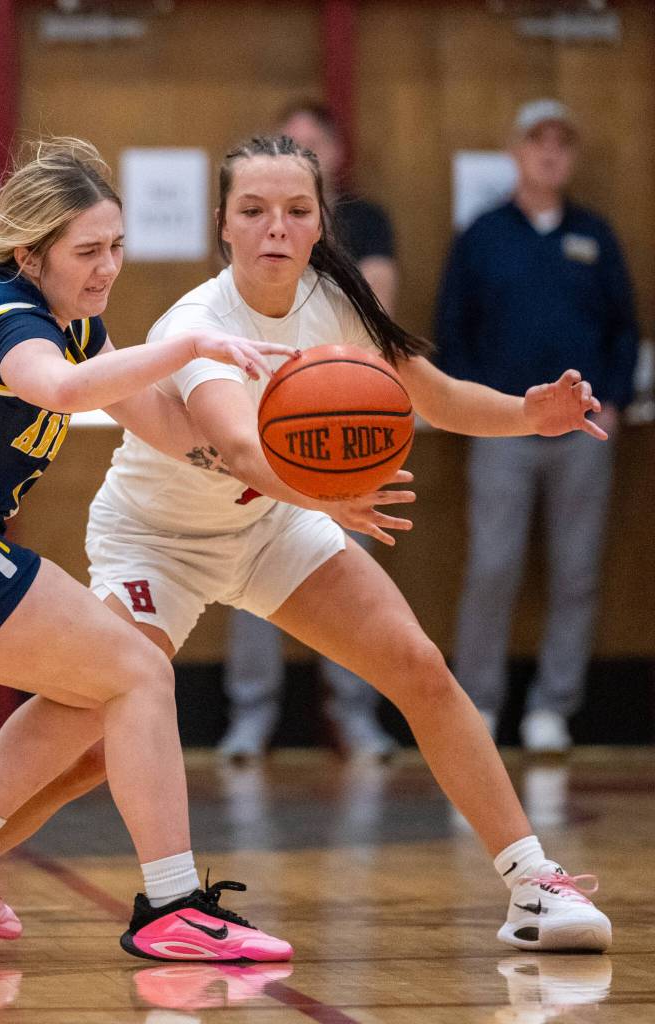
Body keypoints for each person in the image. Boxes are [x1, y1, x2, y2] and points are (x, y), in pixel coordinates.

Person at [0, 133, 607, 957]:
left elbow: (437, 396)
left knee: (418, 667)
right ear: (223, 227)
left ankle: (533, 884)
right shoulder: (201, 322)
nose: (276, 226)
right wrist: (331, 494)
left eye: (296, 211)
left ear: (318, 227)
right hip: (158, 540)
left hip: (271, 528)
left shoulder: (339, 304)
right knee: (94, 729)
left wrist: (529, 414)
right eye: (254, 211)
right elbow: (238, 451)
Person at [0, 138, 301, 962]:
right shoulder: (9, 316)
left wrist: (297, 477)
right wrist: (191, 343)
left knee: (98, 686)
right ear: (29, 253)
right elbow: (65, 392)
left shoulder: (77, 328)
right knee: (140, 670)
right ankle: (175, 905)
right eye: (87, 251)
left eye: (116, 248)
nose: (107, 267)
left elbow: (169, 430)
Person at [435, 99, 639, 753]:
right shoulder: (482, 235)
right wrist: (474, 404)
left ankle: (553, 708)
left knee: (576, 570)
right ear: (516, 151)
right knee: (493, 566)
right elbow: (451, 329)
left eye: (562, 142)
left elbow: (624, 327)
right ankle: (479, 707)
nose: (550, 152)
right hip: (503, 431)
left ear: (571, 156)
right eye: (537, 141)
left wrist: (612, 395)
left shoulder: (595, 236)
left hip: (583, 434)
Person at [220, 99, 400, 761]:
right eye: (287, 148)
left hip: (346, 423)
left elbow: (378, 308)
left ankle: (356, 718)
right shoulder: (256, 232)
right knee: (253, 571)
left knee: (351, 581)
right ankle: (250, 718)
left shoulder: (364, 221)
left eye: (310, 148)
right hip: (265, 424)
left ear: (335, 159)